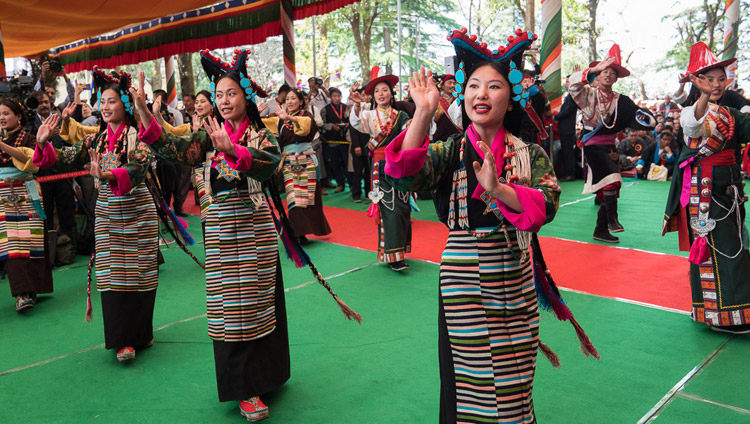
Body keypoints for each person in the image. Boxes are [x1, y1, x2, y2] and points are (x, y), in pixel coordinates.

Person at [384, 28, 590, 423]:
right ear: (462, 93)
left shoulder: (529, 154)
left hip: (514, 274)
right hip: (461, 278)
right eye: (474, 85)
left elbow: (546, 204)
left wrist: (498, 189)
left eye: (493, 86)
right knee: (466, 377)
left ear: (510, 95)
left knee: (513, 380)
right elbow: (404, 174)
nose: (481, 94)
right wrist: (424, 113)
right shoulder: (450, 150)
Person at [133, 48, 290, 422]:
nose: (223, 101)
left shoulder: (260, 135)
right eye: (218, 95)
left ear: (246, 97)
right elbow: (173, 150)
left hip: (255, 233)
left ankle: (267, 375)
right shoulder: (205, 137)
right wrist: (142, 110)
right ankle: (245, 389)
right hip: (220, 235)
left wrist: (235, 151)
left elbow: (271, 166)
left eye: (230, 93)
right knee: (231, 312)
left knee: (257, 307)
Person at [34, 67, 160, 362]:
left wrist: (108, 174)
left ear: (125, 105)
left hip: (138, 210)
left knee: (141, 275)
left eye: (112, 101)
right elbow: (64, 159)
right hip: (107, 212)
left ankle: (141, 333)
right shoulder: (95, 140)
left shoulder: (139, 137)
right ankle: (122, 340)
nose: (105, 107)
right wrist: (42, 143)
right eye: (102, 102)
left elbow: (139, 166)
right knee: (112, 275)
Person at [663, 41, 750, 335]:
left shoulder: (733, 108)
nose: (715, 84)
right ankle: (723, 314)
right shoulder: (692, 112)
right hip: (705, 189)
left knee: (736, 244)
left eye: (720, 78)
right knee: (718, 247)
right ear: (696, 81)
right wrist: (701, 94)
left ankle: (725, 310)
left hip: (730, 187)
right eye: (708, 79)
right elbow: (693, 124)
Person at [568, 44, 655, 243]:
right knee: (613, 179)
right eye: (604, 71)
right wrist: (590, 70)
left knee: (612, 189)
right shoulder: (587, 94)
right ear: (598, 74)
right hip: (592, 146)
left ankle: (600, 230)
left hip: (610, 147)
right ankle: (613, 219)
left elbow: (638, 115)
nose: (607, 75)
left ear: (616, 78)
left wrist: (649, 120)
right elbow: (572, 85)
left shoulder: (621, 100)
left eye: (612, 72)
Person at [349, 66, 414, 271]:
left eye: (384, 90)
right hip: (379, 166)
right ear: (373, 96)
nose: (381, 94)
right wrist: (357, 106)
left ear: (391, 93)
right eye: (377, 91)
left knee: (402, 206)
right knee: (388, 208)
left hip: (398, 164)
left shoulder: (401, 116)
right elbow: (357, 123)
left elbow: (409, 134)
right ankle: (394, 256)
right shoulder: (369, 115)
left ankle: (397, 250)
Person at [0, 98, 54, 312]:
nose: (2, 118)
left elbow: (33, 163)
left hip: (27, 191)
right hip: (3, 194)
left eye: (6, 113)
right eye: (0, 114)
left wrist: (2, 145)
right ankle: (21, 293)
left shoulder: (32, 138)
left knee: (31, 242)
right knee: (11, 244)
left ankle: (32, 289)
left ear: (19, 116)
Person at [262, 89, 331, 243]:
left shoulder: (307, 116)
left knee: (308, 198)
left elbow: (306, 127)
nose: (290, 101)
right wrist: (257, 113)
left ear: (301, 101)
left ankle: (305, 232)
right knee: (293, 197)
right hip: (289, 163)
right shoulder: (278, 119)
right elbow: (260, 125)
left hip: (307, 160)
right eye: (287, 99)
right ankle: (297, 232)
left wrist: (288, 117)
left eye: (294, 98)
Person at [320, 87, 350, 194]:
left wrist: (347, 124)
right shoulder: (325, 109)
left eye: (338, 96)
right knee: (335, 163)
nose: (336, 98)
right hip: (331, 140)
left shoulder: (346, 108)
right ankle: (340, 184)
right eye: (334, 96)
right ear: (330, 97)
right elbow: (321, 124)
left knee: (347, 163)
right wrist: (331, 126)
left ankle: (351, 185)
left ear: (341, 97)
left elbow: (352, 121)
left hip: (345, 140)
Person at [554, 76, 580, 181]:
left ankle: (570, 173)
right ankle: (568, 172)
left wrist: (555, 117)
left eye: (568, 82)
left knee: (568, 152)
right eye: (566, 82)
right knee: (566, 151)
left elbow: (567, 112)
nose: (566, 84)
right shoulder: (569, 96)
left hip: (567, 128)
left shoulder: (573, 97)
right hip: (565, 128)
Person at [433, 74, 462, 142]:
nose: (452, 85)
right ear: (442, 85)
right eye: (449, 83)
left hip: (458, 137)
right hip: (441, 138)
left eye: (454, 83)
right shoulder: (437, 101)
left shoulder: (458, 100)